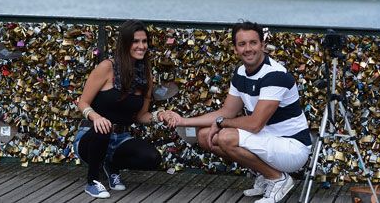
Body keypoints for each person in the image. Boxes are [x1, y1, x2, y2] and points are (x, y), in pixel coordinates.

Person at [164, 21, 312, 203]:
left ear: (262, 45)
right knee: (204, 137)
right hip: (266, 141)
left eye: (253, 43)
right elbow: (227, 111)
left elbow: (255, 124)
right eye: (242, 44)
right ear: (235, 48)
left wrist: (220, 123)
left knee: (226, 137)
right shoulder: (241, 72)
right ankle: (267, 175)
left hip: (291, 148)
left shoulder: (275, 75)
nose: (248, 49)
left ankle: (278, 179)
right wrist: (183, 121)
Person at [74, 20, 168, 199]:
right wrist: (96, 117)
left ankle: (110, 165)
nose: (141, 46)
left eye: (144, 41)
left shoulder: (146, 75)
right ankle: (92, 181)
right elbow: (83, 102)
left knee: (152, 158)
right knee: (104, 126)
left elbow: (141, 116)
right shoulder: (107, 67)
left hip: (120, 139)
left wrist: (160, 115)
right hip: (91, 136)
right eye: (135, 41)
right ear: (125, 43)